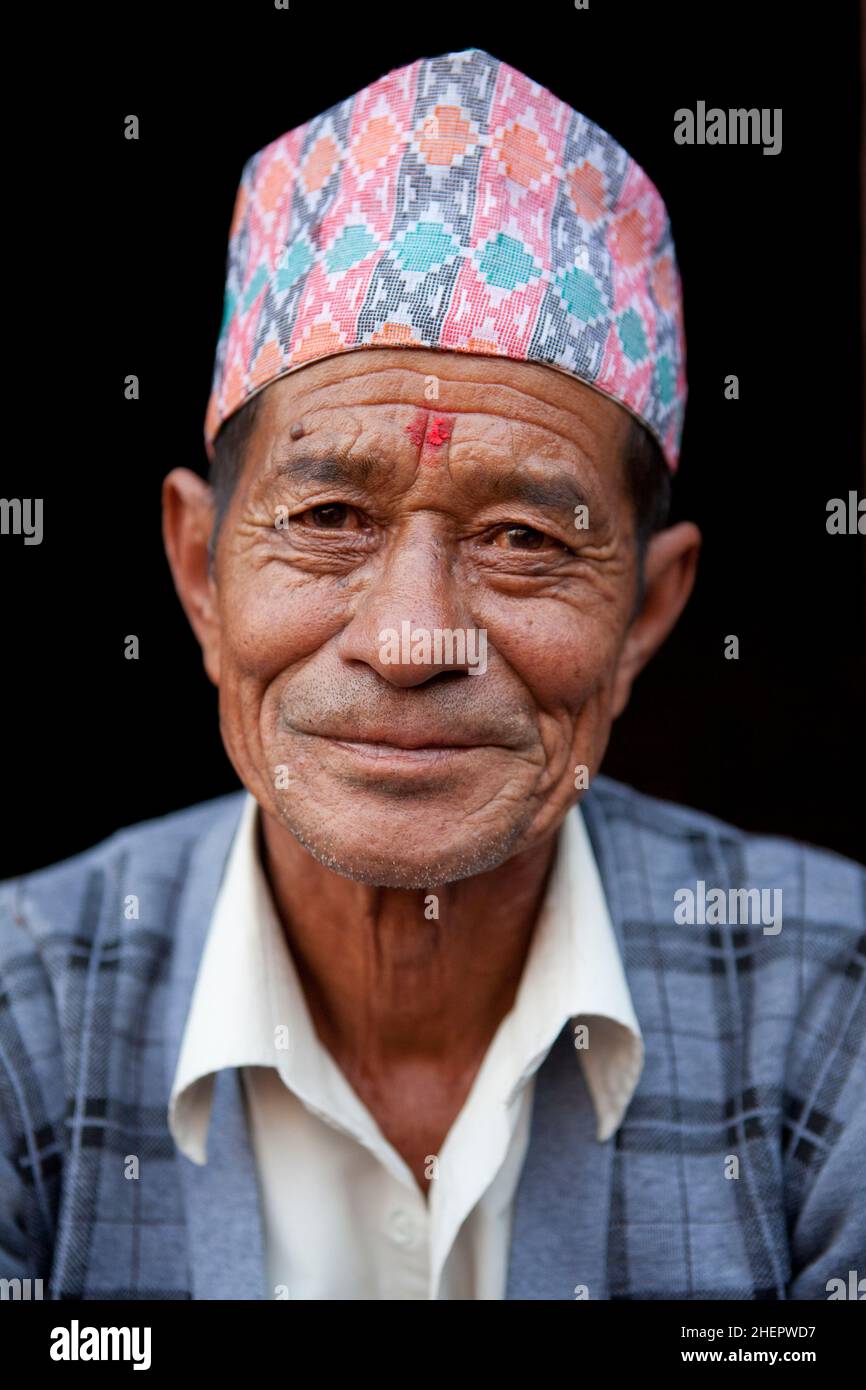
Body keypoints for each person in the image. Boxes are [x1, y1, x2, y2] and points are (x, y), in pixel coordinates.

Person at [1, 48, 863, 1301]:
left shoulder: (828, 995)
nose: (409, 640)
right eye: (331, 516)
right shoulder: (24, 1010)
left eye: (523, 540)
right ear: (198, 572)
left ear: (645, 614)